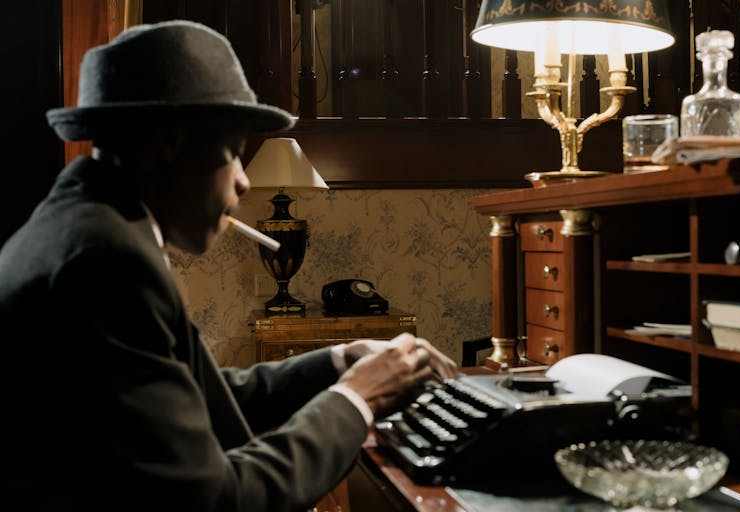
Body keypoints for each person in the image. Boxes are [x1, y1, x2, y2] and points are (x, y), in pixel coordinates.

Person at [0, 20, 458, 511]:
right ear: (170, 143)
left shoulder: (87, 225)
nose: (242, 182)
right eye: (235, 152)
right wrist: (356, 400)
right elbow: (218, 500)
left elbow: (193, 396)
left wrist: (339, 362)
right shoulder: (106, 262)